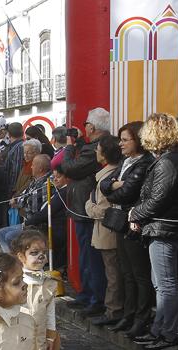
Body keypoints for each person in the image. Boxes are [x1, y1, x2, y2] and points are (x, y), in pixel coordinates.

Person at [129, 113, 178, 350]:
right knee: (161, 284)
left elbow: (158, 199)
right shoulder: (171, 159)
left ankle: (167, 333)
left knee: (165, 285)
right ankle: (160, 330)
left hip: (166, 228)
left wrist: (136, 214)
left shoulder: (168, 162)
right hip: (164, 227)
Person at [99, 121, 156, 338]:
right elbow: (105, 184)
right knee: (127, 272)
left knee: (139, 273)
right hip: (121, 222)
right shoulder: (126, 161)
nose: (120, 144)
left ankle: (141, 317)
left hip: (135, 223)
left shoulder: (145, 163)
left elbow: (128, 193)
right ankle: (128, 314)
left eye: (125, 140)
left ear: (137, 141)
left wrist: (115, 187)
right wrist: (115, 185)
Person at [59, 108, 110, 316]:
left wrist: (69, 148)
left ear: (93, 127)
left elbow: (69, 168)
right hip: (83, 207)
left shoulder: (95, 149)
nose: (84, 128)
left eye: (86, 124)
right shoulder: (91, 147)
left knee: (91, 257)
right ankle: (86, 294)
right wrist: (79, 142)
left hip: (87, 209)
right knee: (86, 255)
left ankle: (94, 298)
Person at [85, 134, 124, 326]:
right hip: (105, 230)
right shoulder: (108, 174)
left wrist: (88, 207)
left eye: (98, 149)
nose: (95, 151)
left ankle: (113, 310)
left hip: (107, 230)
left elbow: (101, 210)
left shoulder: (107, 177)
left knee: (113, 273)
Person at [11, 229, 60, 350]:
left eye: (43, 252)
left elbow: (50, 312)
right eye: (34, 252)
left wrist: (50, 336)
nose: (41, 256)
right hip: (16, 336)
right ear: (21, 256)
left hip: (39, 338)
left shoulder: (48, 284)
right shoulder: (15, 280)